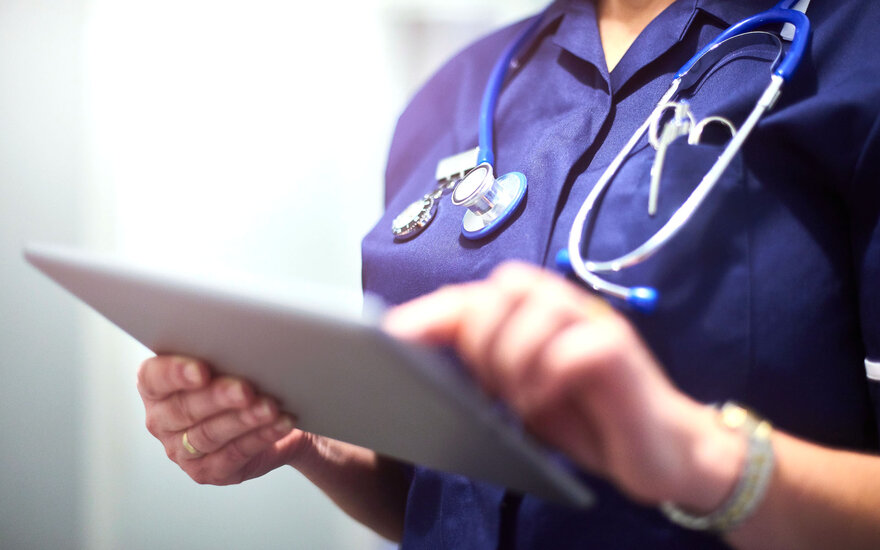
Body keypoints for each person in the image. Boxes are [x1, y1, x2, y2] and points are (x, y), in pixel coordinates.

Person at [136, 0, 880, 547]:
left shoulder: (856, 55)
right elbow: (446, 496)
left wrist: (701, 458)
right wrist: (310, 442)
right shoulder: (456, 91)